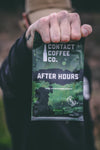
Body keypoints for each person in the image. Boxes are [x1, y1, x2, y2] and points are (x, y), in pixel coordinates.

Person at [0, 0, 96, 150]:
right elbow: (9, 76)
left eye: (59, 22)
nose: (53, 32)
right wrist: (28, 41)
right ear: (26, 21)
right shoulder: (20, 65)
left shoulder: (82, 66)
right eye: (46, 24)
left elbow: (85, 123)